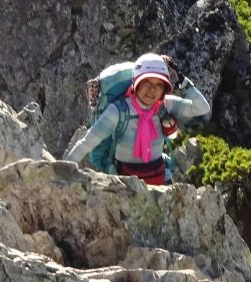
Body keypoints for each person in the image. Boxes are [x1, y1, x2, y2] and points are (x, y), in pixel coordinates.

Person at [65, 53, 210, 185]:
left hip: (159, 178)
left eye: (159, 85)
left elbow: (203, 108)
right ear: (136, 83)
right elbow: (87, 143)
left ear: (164, 89)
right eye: (147, 82)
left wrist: (183, 81)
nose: (152, 90)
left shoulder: (165, 105)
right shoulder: (118, 111)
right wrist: (63, 168)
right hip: (126, 183)